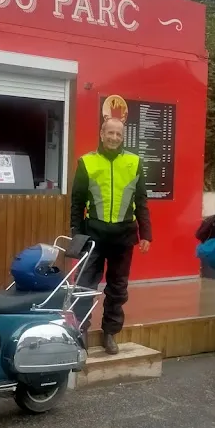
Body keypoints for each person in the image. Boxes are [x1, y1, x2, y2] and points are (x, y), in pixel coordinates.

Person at [70, 118, 152, 354]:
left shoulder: (134, 162)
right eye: (110, 133)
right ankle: (80, 332)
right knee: (84, 286)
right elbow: (76, 203)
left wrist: (146, 233)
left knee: (118, 288)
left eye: (118, 134)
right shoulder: (87, 162)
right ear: (101, 134)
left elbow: (141, 200)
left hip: (123, 235)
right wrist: (76, 235)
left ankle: (110, 333)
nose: (114, 137)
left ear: (122, 136)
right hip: (93, 234)